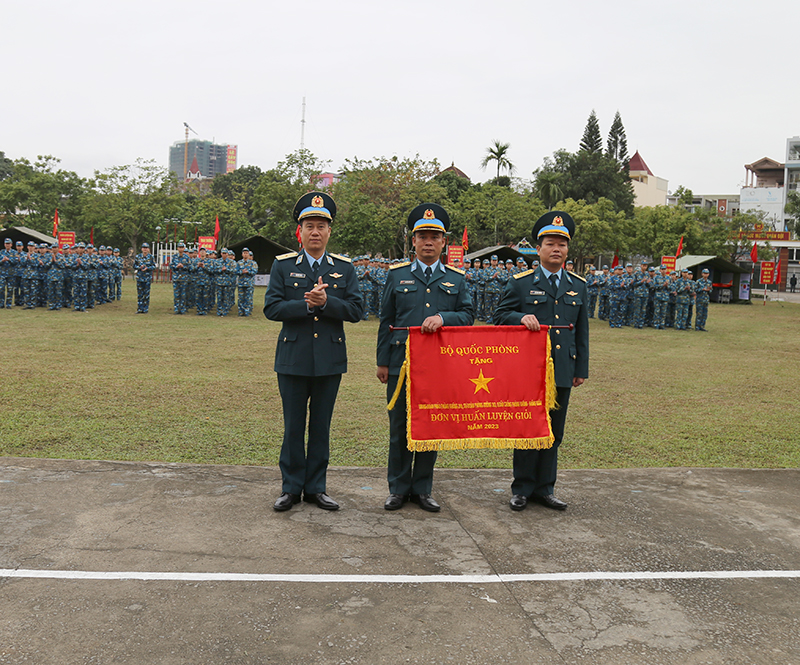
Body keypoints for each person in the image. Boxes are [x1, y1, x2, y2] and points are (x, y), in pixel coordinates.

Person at [264, 192, 363, 512]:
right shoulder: (283, 266)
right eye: (310, 226)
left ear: (329, 231)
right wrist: (306, 305)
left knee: (321, 425)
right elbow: (271, 308)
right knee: (293, 426)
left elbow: (356, 310)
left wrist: (328, 303)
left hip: (329, 360)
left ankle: (317, 488)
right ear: (300, 231)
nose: (315, 232)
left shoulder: (344, 269)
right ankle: (291, 488)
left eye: (321, 226)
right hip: (292, 359)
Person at [376, 203, 474, 512]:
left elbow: (469, 315)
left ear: (444, 242)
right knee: (400, 427)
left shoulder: (456, 279)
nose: (428, 242)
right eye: (422, 236)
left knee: (431, 426)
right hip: (401, 363)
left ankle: (422, 489)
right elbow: (385, 319)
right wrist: (382, 362)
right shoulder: (397, 276)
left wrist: (444, 317)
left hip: (439, 366)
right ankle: (398, 488)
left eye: (434, 236)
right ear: (413, 241)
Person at [495, 211, 588, 511]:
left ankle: (545, 488)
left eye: (562, 244)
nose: (556, 249)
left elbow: (581, 331)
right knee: (527, 428)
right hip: (528, 370)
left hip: (562, 368)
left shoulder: (578, 285)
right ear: (538, 248)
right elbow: (498, 317)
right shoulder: (521, 283)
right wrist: (521, 317)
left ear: (567, 249)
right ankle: (521, 488)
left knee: (554, 431)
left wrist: (580, 369)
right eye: (550, 243)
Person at [134, 243, 155, 313]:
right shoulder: (138, 256)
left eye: (146, 248)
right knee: (140, 294)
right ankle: (140, 308)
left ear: (148, 249)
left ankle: (145, 308)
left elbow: (154, 266)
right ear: (141, 249)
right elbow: (134, 265)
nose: (145, 249)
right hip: (140, 277)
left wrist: (147, 268)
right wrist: (139, 268)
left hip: (147, 278)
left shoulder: (151, 257)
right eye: (144, 248)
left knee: (146, 294)